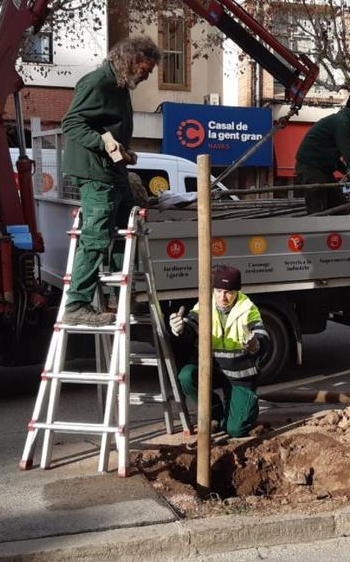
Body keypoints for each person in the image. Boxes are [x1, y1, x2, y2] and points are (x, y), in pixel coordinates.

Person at [60, 35, 162, 326]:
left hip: (112, 171)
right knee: (96, 235)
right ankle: (77, 303)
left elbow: (103, 127)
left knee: (125, 225)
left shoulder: (119, 86)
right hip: (96, 174)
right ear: (131, 60)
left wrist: (122, 151)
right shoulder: (97, 82)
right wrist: (107, 145)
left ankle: (121, 297)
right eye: (146, 68)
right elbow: (72, 123)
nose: (147, 75)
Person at [170, 265, 269, 438]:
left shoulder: (247, 309)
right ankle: (215, 412)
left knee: (235, 430)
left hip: (240, 376)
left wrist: (255, 344)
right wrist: (179, 328)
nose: (222, 297)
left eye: (228, 292)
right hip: (213, 369)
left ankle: (244, 409)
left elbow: (262, 336)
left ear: (237, 291)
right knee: (186, 376)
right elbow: (191, 328)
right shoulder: (204, 305)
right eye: (218, 291)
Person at [294, 92, 350, 214]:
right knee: (317, 209)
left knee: (340, 206)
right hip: (311, 168)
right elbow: (347, 151)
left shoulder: (342, 120)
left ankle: (338, 231)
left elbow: (333, 154)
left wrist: (346, 171)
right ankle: (316, 232)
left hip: (321, 169)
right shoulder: (342, 122)